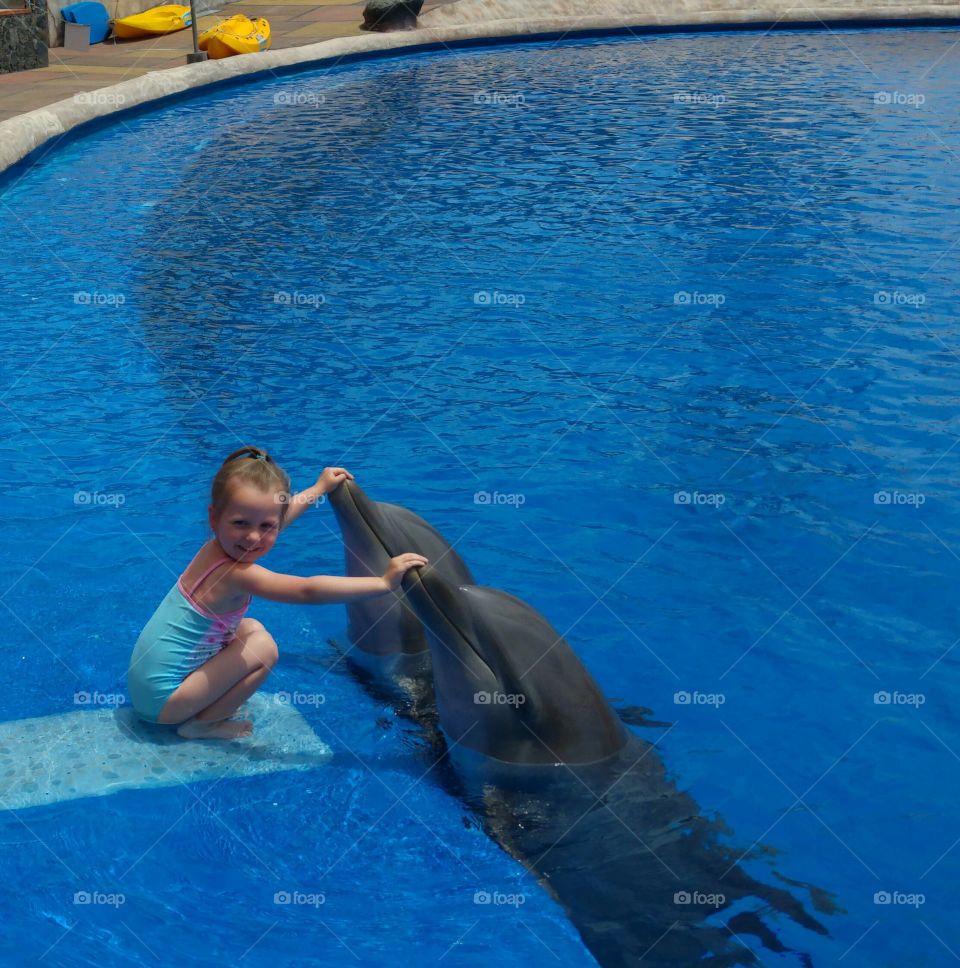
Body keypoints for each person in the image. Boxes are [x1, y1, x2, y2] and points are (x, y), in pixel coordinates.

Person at [127, 446, 427, 740]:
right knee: (264, 648)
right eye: (240, 523)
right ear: (214, 518)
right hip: (162, 703)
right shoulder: (237, 574)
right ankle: (202, 725)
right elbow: (306, 590)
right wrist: (383, 583)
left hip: (148, 688)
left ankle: (198, 703)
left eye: (265, 527)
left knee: (250, 628)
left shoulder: (213, 549)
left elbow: (276, 519)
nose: (254, 537)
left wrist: (318, 488)